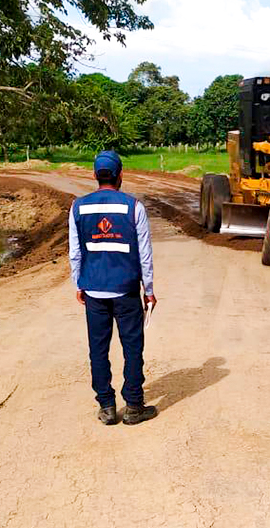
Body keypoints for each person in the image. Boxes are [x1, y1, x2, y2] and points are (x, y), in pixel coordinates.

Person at [69, 150, 158, 426]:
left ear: (95, 175)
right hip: (127, 290)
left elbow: (75, 253)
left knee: (98, 348)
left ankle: (107, 406)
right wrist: (149, 290)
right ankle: (133, 406)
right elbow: (144, 254)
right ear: (120, 175)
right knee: (132, 347)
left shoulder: (77, 207)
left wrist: (79, 283)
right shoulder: (134, 207)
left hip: (94, 290)